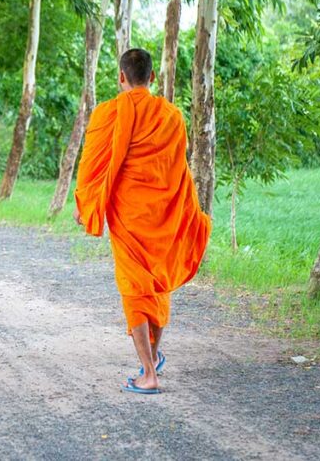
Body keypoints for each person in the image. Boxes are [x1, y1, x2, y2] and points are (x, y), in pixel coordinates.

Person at [74, 48, 211, 394]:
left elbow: (91, 165)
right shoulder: (172, 116)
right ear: (152, 78)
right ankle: (153, 357)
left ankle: (148, 373)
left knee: (135, 288)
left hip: (128, 215)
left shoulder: (107, 113)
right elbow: (178, 169)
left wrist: (86, 203)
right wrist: (186, 210)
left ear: (121, 77)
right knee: (156, 284)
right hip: (163, 215)